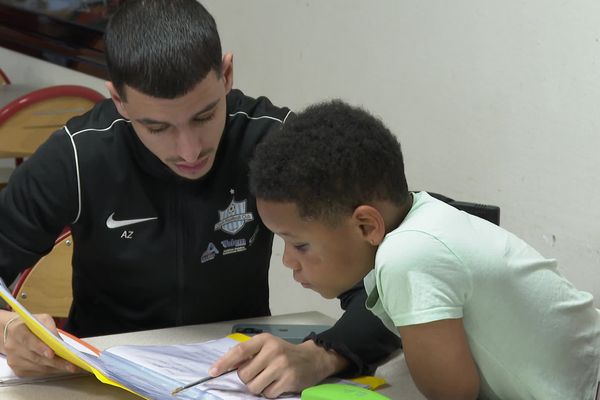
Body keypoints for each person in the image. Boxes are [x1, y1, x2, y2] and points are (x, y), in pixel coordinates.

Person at [0, 0, 400, 397]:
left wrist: (323, 354)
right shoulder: (78, 156)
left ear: (226, 75)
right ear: (118, 100)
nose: (189, 151)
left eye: (205, 116)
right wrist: (9, 331)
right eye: (157, 127)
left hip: (238, 378)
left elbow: (402, 277)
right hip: (98, 377)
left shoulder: (272, 142)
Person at [247, 99, 600, 399]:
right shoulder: (422, 216)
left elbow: (453, 395)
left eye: (299, 244)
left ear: (366, 226)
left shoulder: (407, 256)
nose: (288, 261)